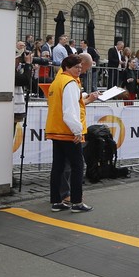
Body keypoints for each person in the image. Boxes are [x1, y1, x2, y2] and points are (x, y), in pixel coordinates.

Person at [45, 53, 90, 213]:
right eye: (76, 67)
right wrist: (77, 131)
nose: (79, 70)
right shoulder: (70, 83)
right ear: (67, 67)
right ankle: (77, 202)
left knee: (57, 166)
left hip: (55, 129)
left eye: (80, 67)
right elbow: (70, 110)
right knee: (78, 166)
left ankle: (56, 201)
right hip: (67, 132)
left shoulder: (57, 82)